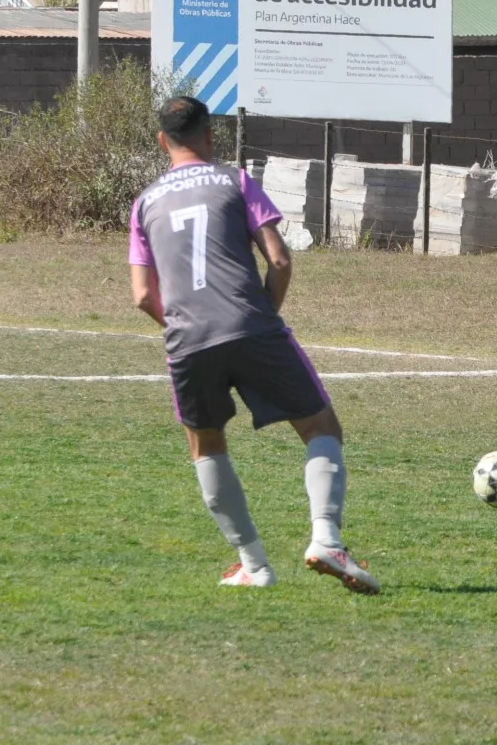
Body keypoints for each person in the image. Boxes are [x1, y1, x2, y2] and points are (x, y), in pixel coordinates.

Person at [128, 96, 379, 594]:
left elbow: (140, 295)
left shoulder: (145, 202)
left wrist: (180, 327)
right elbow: (280, 260)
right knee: (320, 426)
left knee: (206, 446)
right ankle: (326, 539)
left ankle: (254, 565)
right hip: (252, 325)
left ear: (162, 141)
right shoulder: (234, 181)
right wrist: (264, 314)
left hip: (186, 338)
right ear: (210, 135)